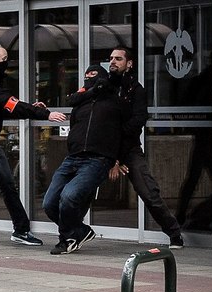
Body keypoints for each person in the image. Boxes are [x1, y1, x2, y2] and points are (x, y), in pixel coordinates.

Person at [0, 41, 66, 250]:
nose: (6, 63)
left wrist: (31, 108)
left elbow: (7, 107)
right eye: (3, 59)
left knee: (8, 186)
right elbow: (11, 104)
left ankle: (21, 230)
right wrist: (45, 114)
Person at [42, 65, 129, 255]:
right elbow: (74, 128)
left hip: (97, 159)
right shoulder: (80, 102)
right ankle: (80, 231)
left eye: (93, 77)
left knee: (69, 196)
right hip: (73, 157)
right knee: (49, 203)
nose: (89, 80)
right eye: (86, 76)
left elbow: (125, 133)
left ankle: (68, 238)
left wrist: (117, 160)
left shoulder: (115, 102)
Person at [107, 46, 184, 249]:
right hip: (104, 150)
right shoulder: (104, 87)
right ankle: (72, 234)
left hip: (128, 150)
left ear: (129, 63)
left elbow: (138, 120)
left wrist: (119, 157)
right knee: (80, 189)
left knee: (149, 192)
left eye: (118, 59)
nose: (113, 62)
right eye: (111, 58)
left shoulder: (136, 90)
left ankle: (174, 234)